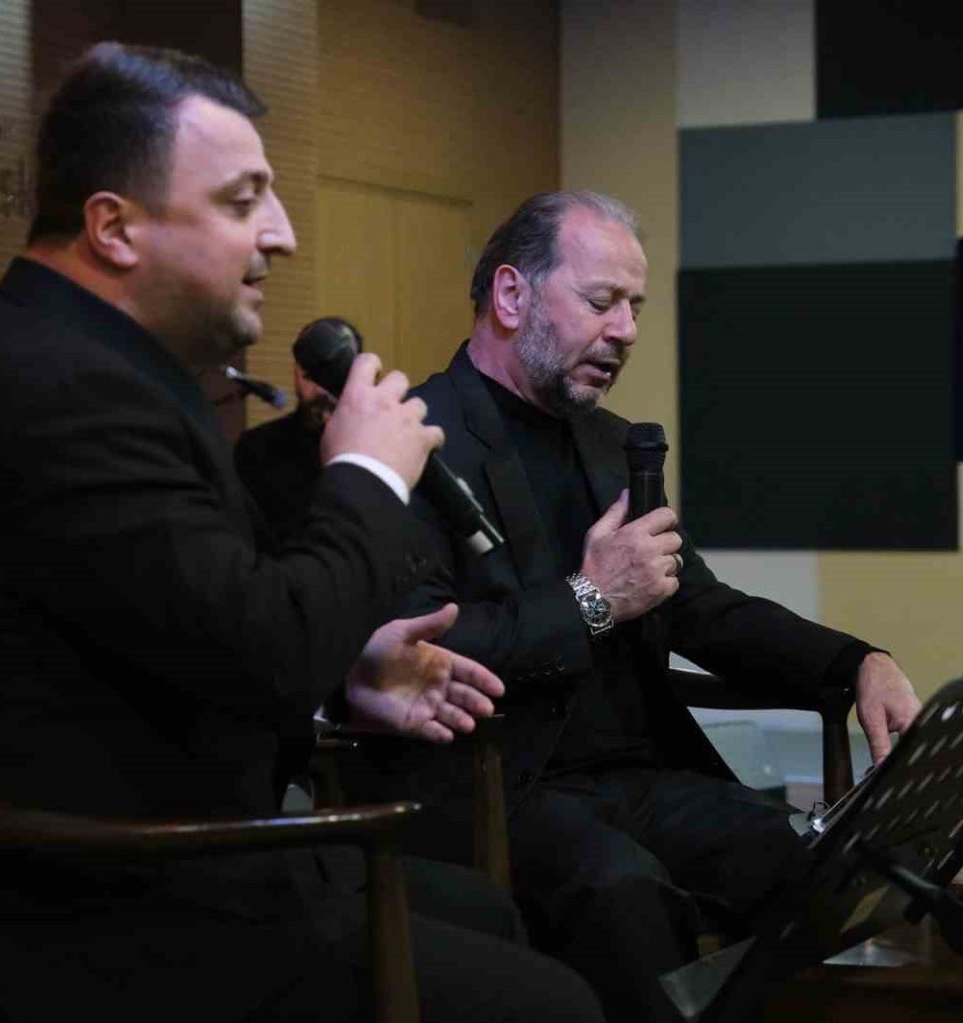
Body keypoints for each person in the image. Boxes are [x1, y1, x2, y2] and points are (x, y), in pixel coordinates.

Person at [0, 45, 603, 1023]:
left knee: (489, 912)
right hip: (92, 918)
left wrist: (346, 669)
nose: (280, 234)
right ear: (114, 227)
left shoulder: (76, 364)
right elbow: (265, 649)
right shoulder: (58, 388)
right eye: (245, 200)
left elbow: (182, 618)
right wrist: (369, 472)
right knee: (555, 1005)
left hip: (130, 860)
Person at [352, 191, 925, 1021]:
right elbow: (422, 652)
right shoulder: (415, 439)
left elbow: (703, 607)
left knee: (816, 859)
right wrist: (590, 599)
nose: (624, 329)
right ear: (511, 296)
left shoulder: (612, 443)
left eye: (635, 307)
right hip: (494, 784)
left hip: (636, 776)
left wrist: (855, 659)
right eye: (601, 302)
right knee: (623, 893)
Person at [233, 316, 363, 543]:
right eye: (311, 370)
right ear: (296, 370)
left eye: (334, 369)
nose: (320, 385)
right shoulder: (255, 448)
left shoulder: (374, 449)